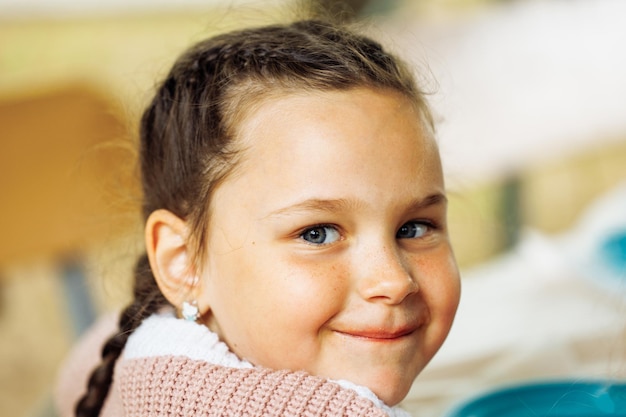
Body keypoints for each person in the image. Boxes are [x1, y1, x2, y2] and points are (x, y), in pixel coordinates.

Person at [57, 18, 461, 417]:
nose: (393, 281)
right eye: (317, 233)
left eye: (414, 227)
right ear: (183, 262)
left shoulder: (127, 351)